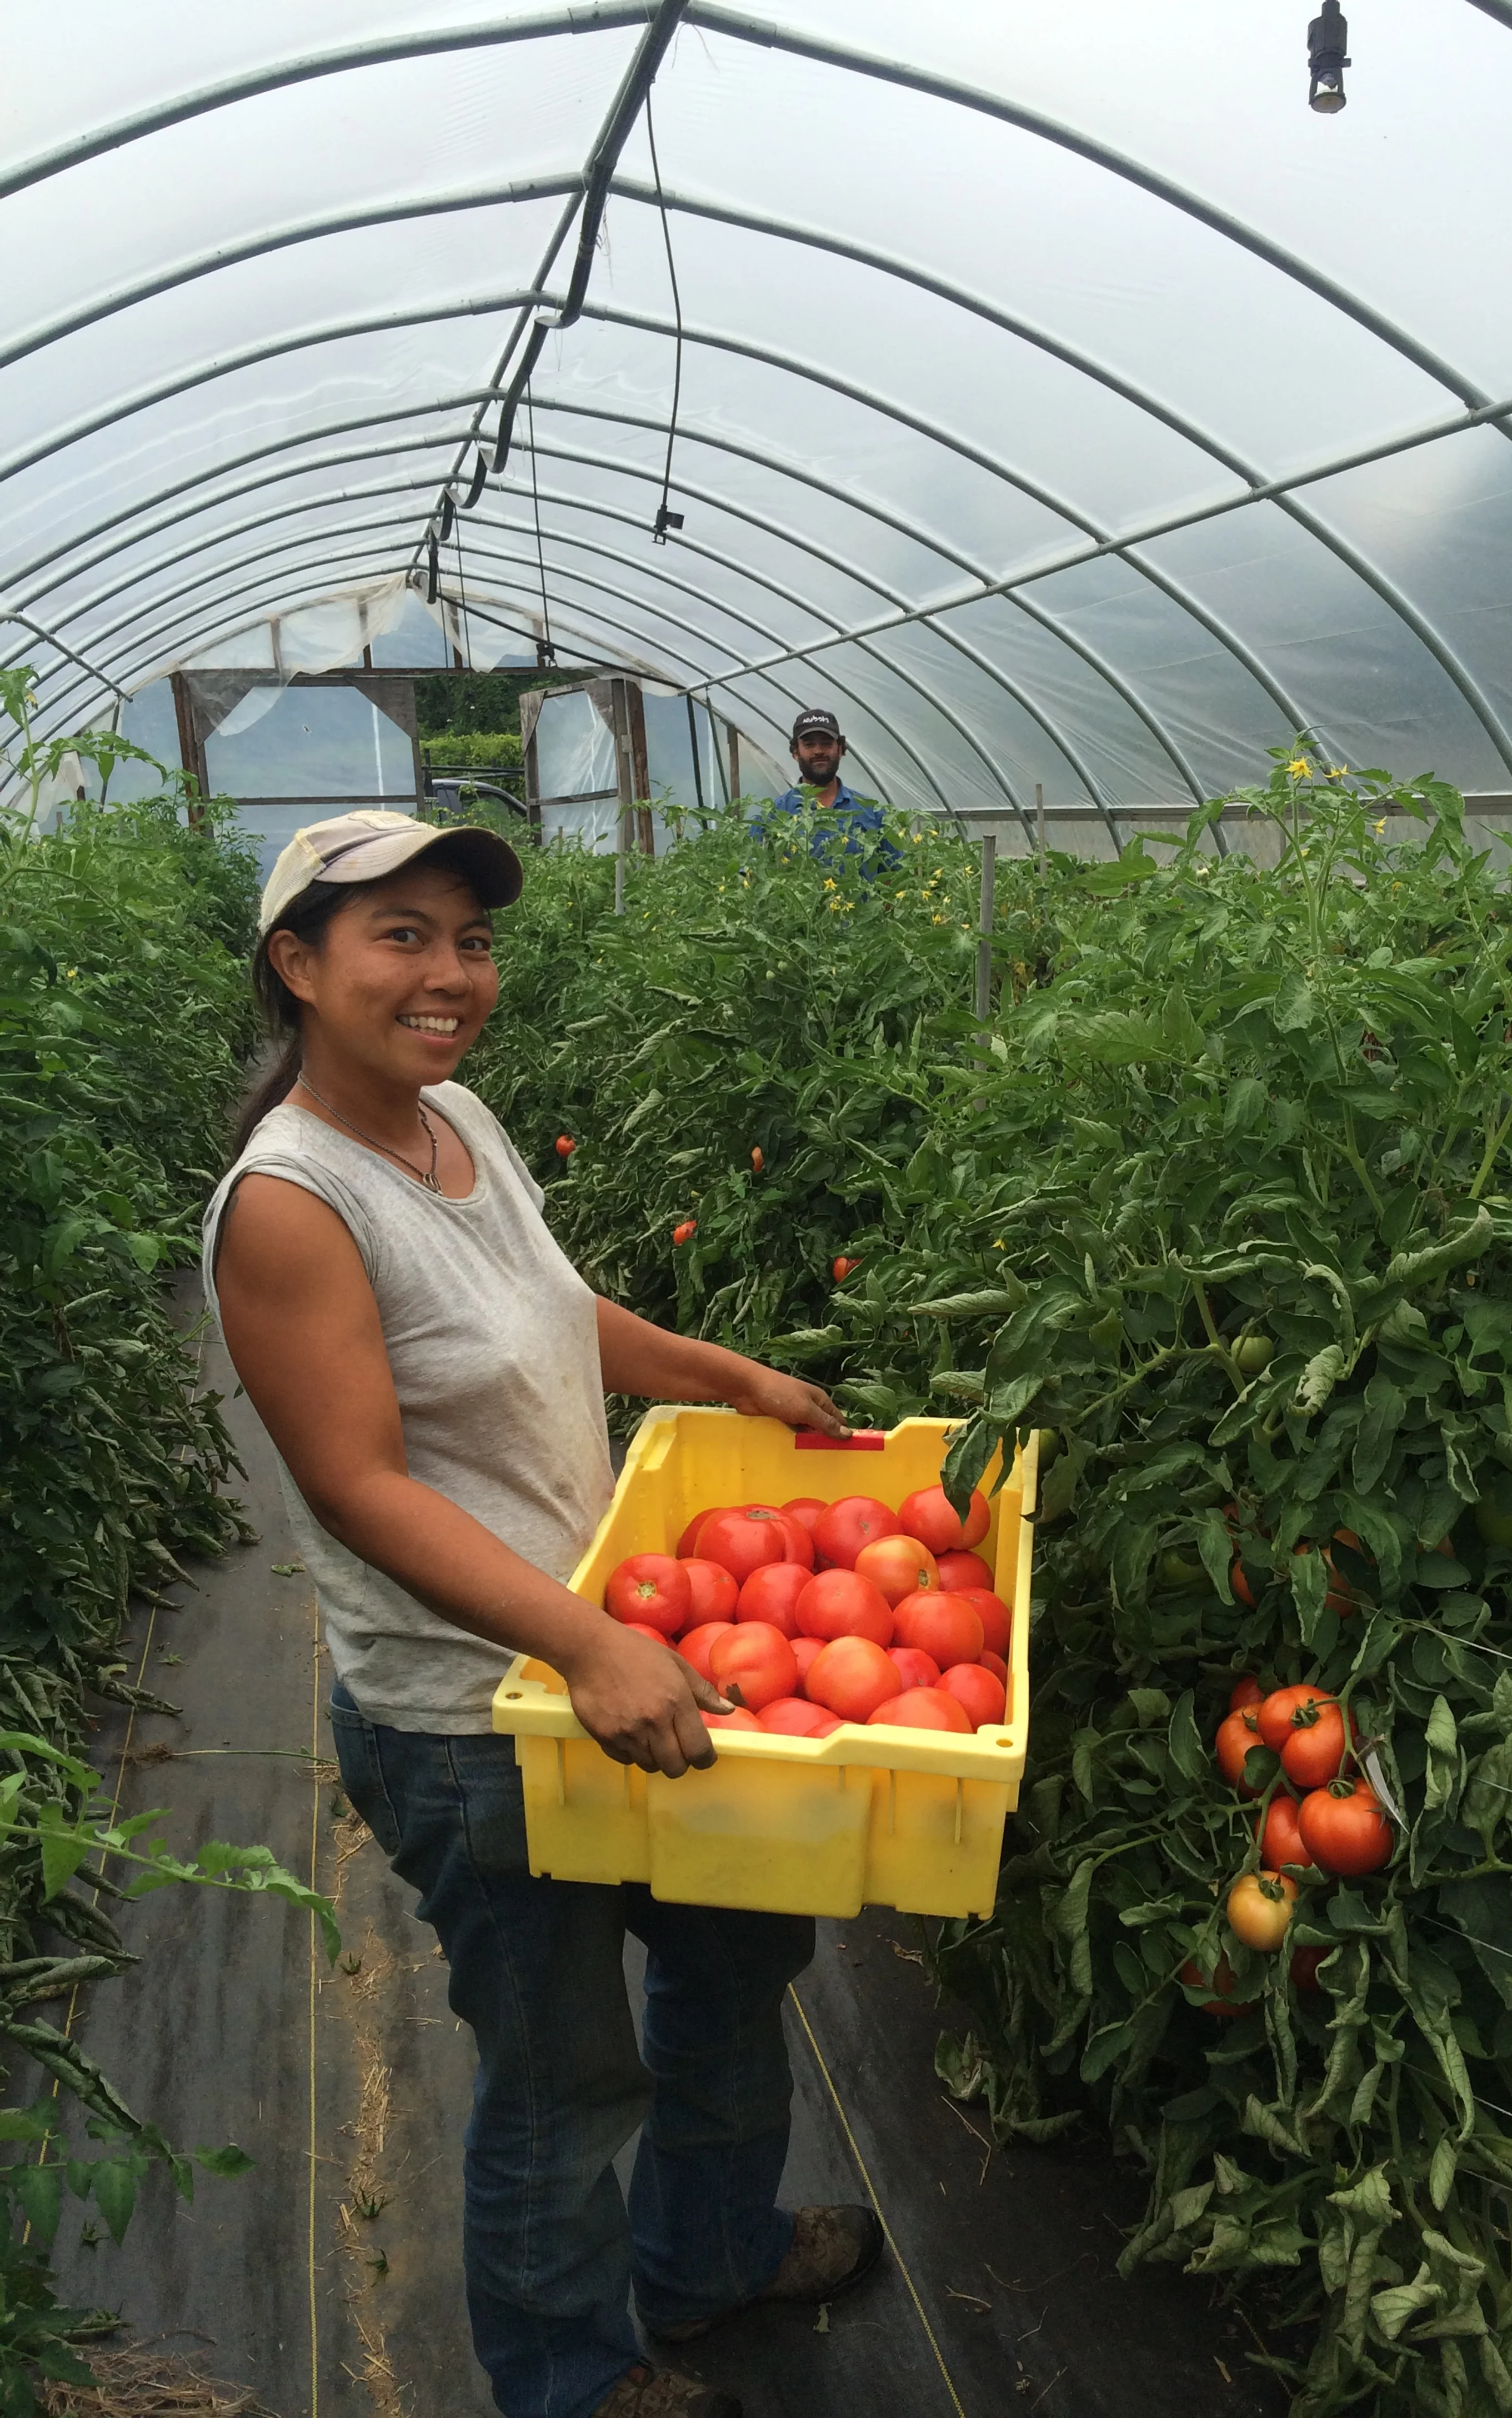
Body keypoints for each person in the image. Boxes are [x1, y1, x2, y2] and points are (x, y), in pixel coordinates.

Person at [202, 809, 885, 2418]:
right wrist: (581, 1644)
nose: (451, 973)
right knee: (564, 2075)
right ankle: (572, 2378)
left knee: (735, 1964)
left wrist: (727, 1376)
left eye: (472, 939)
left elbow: (553, 1309)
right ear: (297, 965)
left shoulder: (455, 1117)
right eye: (401, 936)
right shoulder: (291, 1203)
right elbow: (359, 1486)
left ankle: (709, 2256)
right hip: (476, 1719)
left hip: (622, 1654)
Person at [754, 709, 901, 873]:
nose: (819, 751)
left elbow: (896, 876)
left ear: (841, 750)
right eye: (809, 745)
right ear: (796, 753)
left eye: (827, 743)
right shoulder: (773, 816)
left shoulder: (873, 814)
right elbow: (751, 875)